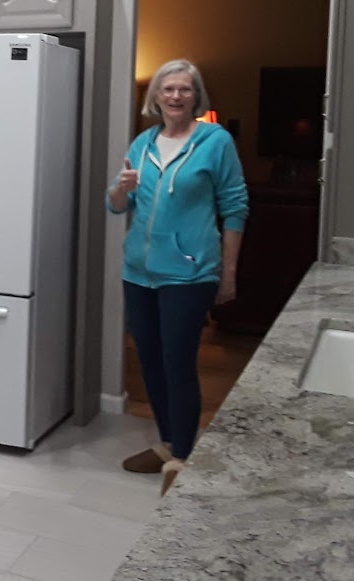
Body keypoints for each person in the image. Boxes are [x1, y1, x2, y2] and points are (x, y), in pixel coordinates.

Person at [106, 59, 248, 496]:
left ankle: (182, 457)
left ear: (195, 96)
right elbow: (115, 206)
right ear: (156, 97)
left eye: (185, 89)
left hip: (188, 274)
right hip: (139, 273)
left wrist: (228, 273)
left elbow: (236, 207)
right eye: (168, 89)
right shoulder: (143, 142)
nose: (175, 96)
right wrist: (119, 189)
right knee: (149, 361)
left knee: (178, 364)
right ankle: (168, 444)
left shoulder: (214, 141)